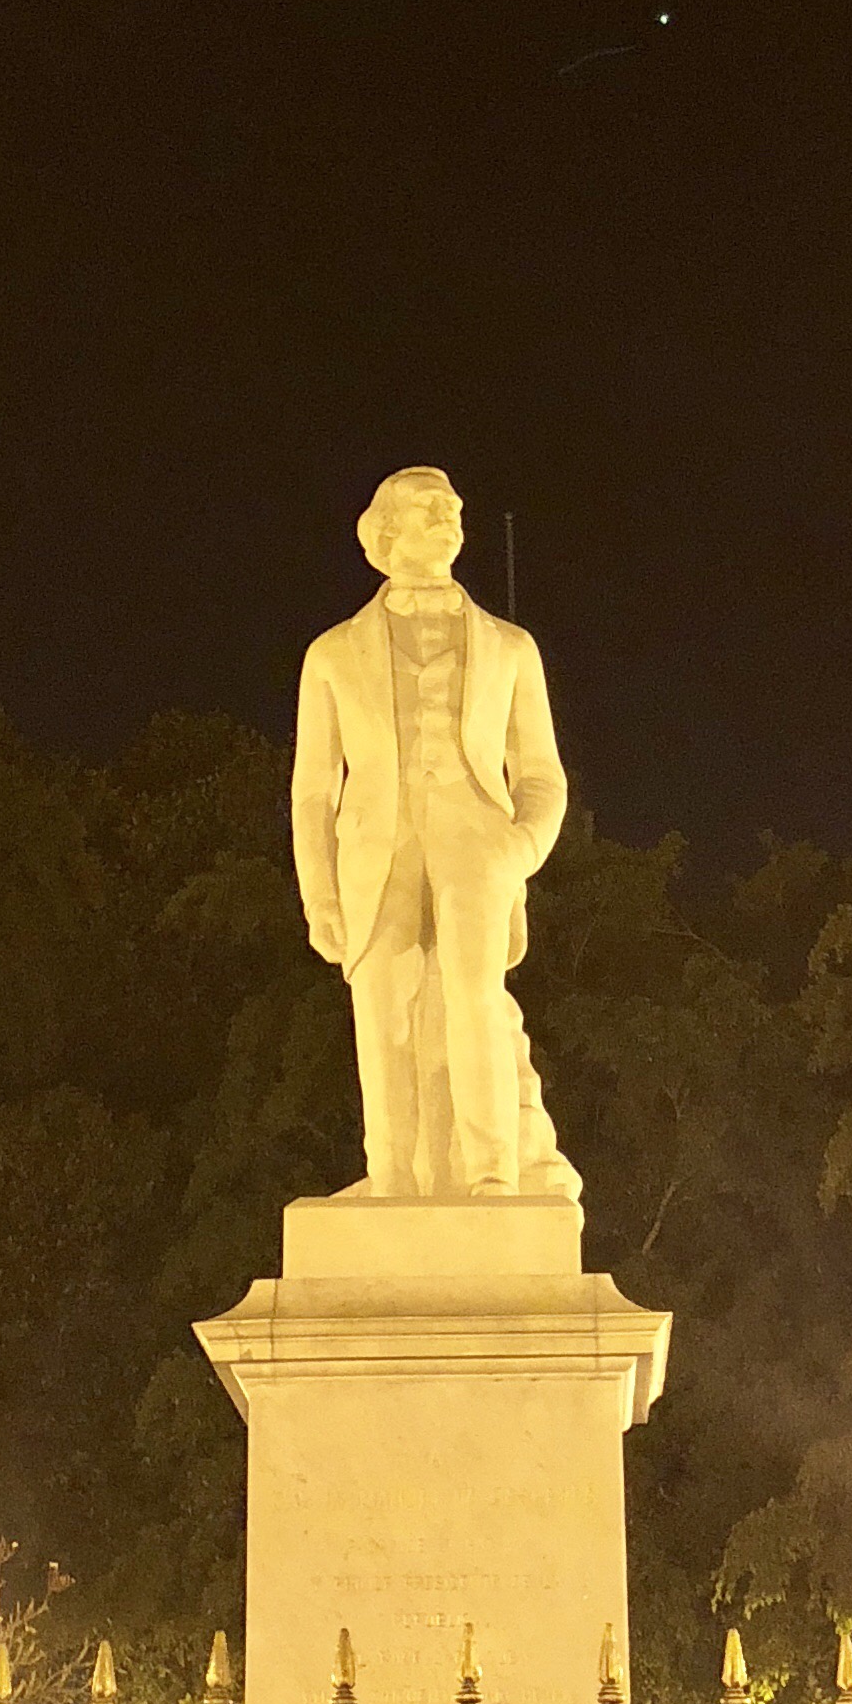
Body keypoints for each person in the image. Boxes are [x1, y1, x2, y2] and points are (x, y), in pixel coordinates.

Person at [291, 465, 579, 1200]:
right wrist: (319, 896)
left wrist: (521, 847)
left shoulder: (511, 648)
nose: (449, 518)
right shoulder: (331, 654)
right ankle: (392, 1179)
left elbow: (541, 774)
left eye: (453, 508)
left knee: (475, 1000)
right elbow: (314, 790)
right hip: (374, 852)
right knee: (383, 1014)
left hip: (476, 843)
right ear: (386, 532)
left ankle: (492, 1174)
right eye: (429, 509)